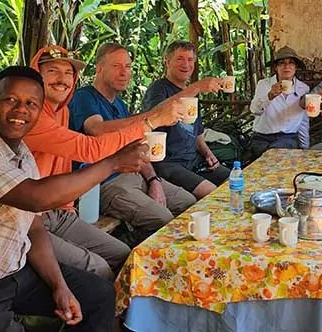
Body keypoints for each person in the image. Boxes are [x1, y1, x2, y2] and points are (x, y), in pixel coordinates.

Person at [0, 66, 150, 331]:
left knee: (96, 294)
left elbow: (33, 227)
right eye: (11, 100)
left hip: (7, 276)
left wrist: (59, 286)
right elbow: (36, 198)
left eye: (32, 103)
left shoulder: (21, 153)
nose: (21, 109)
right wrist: (112, 163)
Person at [23, 45, 184, 280]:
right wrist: (153, 120)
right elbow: (90, 149)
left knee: (122, 253)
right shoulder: (34, 116)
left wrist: (152, 178)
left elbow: (64, 163)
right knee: (98, 267)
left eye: (69, 73)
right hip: (29, 219)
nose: (62, 79)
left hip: (60, 210)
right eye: (52, 71)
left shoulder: (63, 112)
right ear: (35, 77)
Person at [69, 42, 196, 236]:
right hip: (104, 183)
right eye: (116, 66)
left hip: (135, 175)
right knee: (163, 220)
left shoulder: (119, 104)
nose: (124, 72)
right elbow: (97, 129)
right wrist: (151, 118)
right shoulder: (84, 97)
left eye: (127, 66)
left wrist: (153, 180)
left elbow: (135, 146)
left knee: (189, 204)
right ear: (99, 68)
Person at [142, 40, 230, 199]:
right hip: (167, 164)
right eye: (180, 59)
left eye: (190, 60)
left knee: (235, 180)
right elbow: (153, 115)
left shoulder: (189, 93)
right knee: (212, 194)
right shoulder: (159, 88)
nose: (186, 64)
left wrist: (208, 154)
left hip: (193, 160)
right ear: (167, 62)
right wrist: (196, 88)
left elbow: (197, 133)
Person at [249, 46, 310, 156]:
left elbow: (303, 120)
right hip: (261, 138)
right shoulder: (264, 84)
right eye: (282, 63)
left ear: (296, 67)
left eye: (291, 63)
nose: (286, 66)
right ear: (276, 67)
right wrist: (270, 96)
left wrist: (305, 147)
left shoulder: (303, 88)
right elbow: (254, 110)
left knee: (274, 157)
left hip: (287, 138)